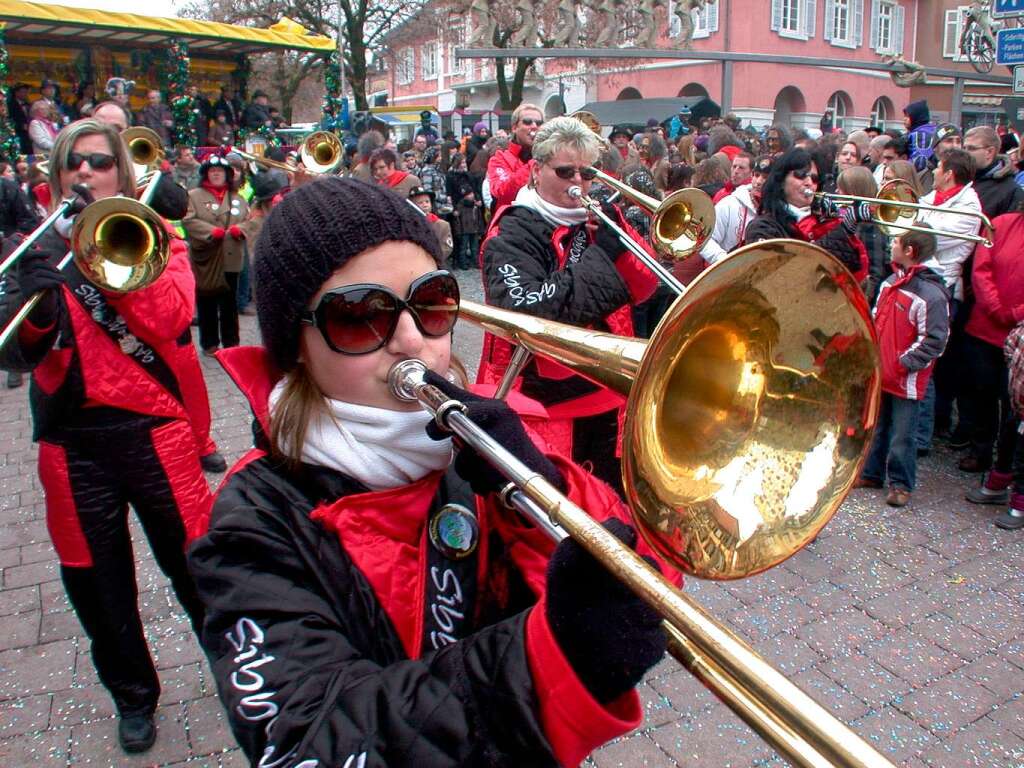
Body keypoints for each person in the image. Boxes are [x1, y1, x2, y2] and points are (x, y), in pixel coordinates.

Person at [188, 176, 673, 766]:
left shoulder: (481, 439)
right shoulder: (251, 526)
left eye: (432, 302)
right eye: (360, 315)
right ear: (295, 346)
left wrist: (540, 486)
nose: (412, 340)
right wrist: (542, 666)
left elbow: (650, 579)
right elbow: (304, 742)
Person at [0, 118, 212, 752]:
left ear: (120, 171)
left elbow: (173, 319)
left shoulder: (159, 236)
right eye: (72, 164)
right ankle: (133, 696)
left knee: (197, 567)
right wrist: (32, 304)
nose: (84, 174)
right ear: (56, 176)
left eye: (96, 162)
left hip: (155, 431)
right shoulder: (32, 243)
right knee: (97, 583)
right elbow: (18, 357)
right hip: (72, 443)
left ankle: (239, 669)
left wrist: (99, 267)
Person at [479, 116, 659, 493]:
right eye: (565, 172)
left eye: (588, 173)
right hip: (543, 406)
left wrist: (621, 241)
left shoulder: (598, 221)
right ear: (536, 170)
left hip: (610, 395)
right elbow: (530, 314)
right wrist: (604, 260)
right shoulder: (511, 231)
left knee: (610, 506)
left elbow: (646, 288)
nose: (578, 183)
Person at [855, 228, 949, 507]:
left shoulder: (930, 295)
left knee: (902, 435)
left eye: (895, 242)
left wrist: (902, 363)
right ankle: (872, 473)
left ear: (909, 251)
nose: (890, 246)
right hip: (883, 372)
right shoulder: (889, 283)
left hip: (905, 379)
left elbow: (935, 341)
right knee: (878, 428)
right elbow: (876, 320)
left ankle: (900, 483)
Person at [960, 200, 1023, 496]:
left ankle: (1006, 464)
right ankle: (981, 450)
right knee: (980, 394)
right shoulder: (1002, 223)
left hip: (1019, 334)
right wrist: (998, 309)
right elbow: (981, 268)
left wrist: (1015, 314)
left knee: (1013, 405)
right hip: (985, 327)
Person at [745, 148, 869, 280]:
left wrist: (837, 225)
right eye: (800, 174)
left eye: (814, 178)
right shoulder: (761, 227)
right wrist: (842, 233)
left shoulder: (822, 219)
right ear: (781, 180)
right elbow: (785, 275)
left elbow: (854, 276)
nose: (809, 183)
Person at [182, 154, 250, 355]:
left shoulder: (238, 198)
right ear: (206, 174)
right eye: (212, 171)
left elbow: (250, 220)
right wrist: (209, 232)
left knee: (229, 302)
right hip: (207, 257)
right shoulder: (194, 195)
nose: (216, 175)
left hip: (231, 256)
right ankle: (209, 342)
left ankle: (231, 342)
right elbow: (188, 219)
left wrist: (242, 230)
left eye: (220, 171)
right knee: (207, 301)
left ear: (227, 175)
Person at [701, 155, 770, 265]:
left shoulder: (781, 211)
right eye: (756, 175)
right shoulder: (729, 204)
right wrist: (724, 261)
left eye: (766, 177)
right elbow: (706, 239)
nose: (758, 182)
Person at [488, 102, 544, 209]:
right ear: (514, 128)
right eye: (527, 122)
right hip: (513, 221)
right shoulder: (499, 159)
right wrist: (537, 160)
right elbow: (503, 192)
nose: (534, 126)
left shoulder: (550, 158)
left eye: (539, 123)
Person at [964, 125, 1024, 221]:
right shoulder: (960, 179)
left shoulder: (1012, 192)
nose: (965, 153)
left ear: (990, 152)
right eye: (964, 148)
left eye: (971, 148)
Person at [409, 186, 454, 262]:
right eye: (420, 202)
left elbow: (446, 247)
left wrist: (433, 259)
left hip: (435, 262)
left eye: (427, 201)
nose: (425, 205)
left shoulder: (442, 225)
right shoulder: (408, 224)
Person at [918, 123, 961, 194]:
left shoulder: (969, 175)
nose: (955, 146)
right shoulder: (922, 177)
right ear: (935, 147)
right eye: (949, 141)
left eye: (958, 141)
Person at [903, 99, 936, 172]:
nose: (904, 119)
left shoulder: (921, 134)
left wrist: (904, 169)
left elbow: (920, 162)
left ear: (916, 116)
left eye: (908, 116)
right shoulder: (930, 130)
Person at [8, 82, 31, 154]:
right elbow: (7, 121)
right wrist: (21, 126)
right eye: (23, 91)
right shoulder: (9, 105)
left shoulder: (29, 104)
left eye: (26, 92)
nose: (25, 94)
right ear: (16, 93)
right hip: (18, 136)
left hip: (30, 136)